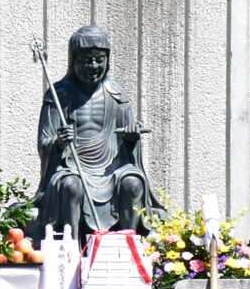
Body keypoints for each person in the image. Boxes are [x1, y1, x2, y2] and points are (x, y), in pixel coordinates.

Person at [32, 23, 157, 238]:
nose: (93, 66)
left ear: (107, 60)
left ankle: (127, 246)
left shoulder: (117, 95)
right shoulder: (58, 94)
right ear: (73, 60)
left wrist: (131, 139)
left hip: (112, 169)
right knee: (71, 185)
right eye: (86, 60)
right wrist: (59, 142)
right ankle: (71, 248)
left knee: (133, 183)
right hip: (72, 167)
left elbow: (128, 147)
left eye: (99, 60)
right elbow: (44, 142)